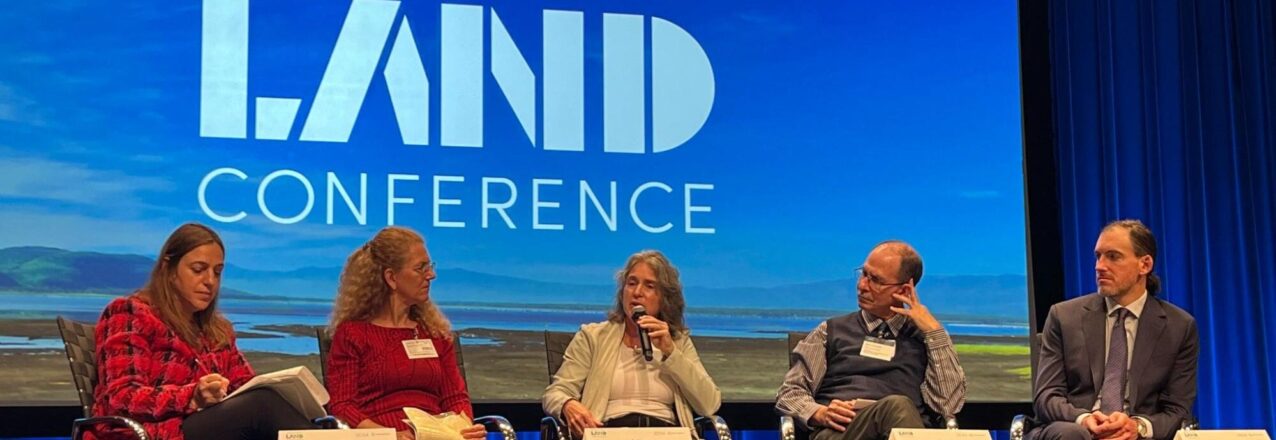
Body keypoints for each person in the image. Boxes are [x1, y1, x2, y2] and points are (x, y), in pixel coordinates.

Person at [90, 223, 314, 440]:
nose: (210, 281)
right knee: (262, 405)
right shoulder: (129, 313)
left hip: (205, 427)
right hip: (153, 431)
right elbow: (122, 397)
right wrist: (192, 396)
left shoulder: (217, 331)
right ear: (168, 269)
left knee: (270, 400)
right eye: (198, 270)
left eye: (217, 273)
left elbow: (245, 385)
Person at [776, 240, 967, 440]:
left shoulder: (924, 339)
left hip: (905, 431)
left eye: (875, 280)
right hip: (842, 431)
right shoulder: (829, 331)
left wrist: (934, 332)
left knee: (898, 408)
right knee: (896, 406)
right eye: (863, 274)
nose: (862, 285)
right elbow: (789, 393)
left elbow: (948, 406)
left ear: (902, 291)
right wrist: (819, 413)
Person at [1029, 220, 1198, 440]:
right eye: (1098, 256)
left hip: (1133, 434)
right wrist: (1085, 419)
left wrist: (1137, 427)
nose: (1100, 266)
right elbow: (1046, 397)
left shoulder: (1179, 327)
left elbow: (1177, 409)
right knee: (1072, 435)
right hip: (1072, 428)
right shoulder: (1064, 316)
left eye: (1113, 256)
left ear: (1144, 265)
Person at [325, 226, 486, 440]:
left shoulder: (435, 333)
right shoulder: (353, 334)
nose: (431, 275)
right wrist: (387, 435)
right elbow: (343, 406)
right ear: (391, 277)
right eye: (421, 268)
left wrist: (464, 428)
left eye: (430, 266)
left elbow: (454, 397)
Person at [542, 250, 722, 439]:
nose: (637, 292)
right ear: (622, 292)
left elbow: (709, 404)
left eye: (649, 286)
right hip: (609, 432)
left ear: (664, 298)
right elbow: (556, 393)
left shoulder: (678, 341)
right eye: (632, 283)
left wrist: (671, 353)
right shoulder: (593, 336)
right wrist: (568, 404)